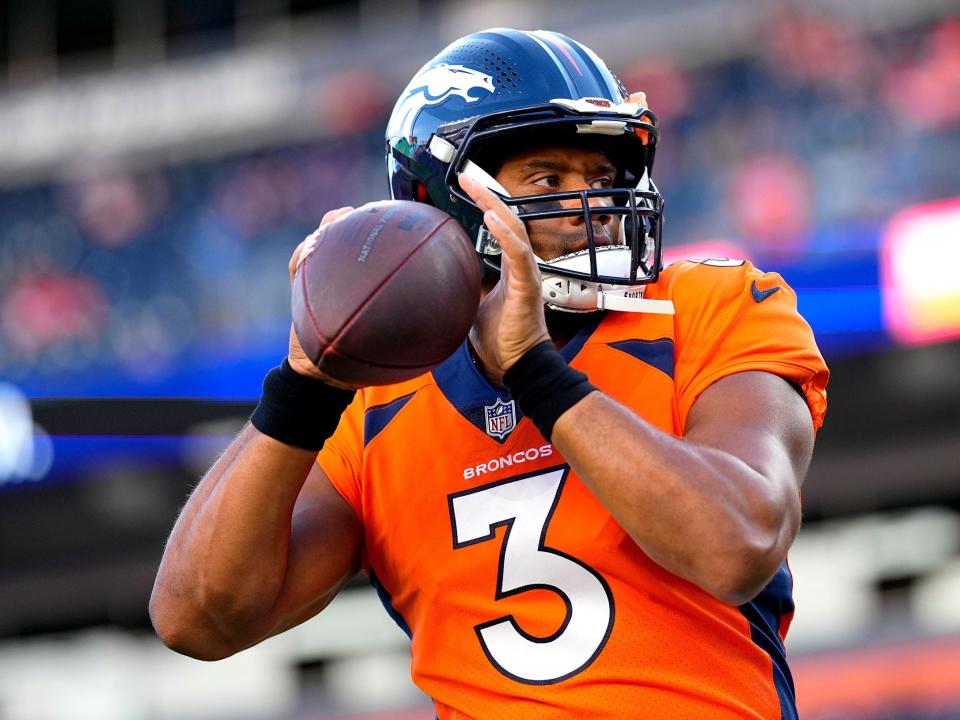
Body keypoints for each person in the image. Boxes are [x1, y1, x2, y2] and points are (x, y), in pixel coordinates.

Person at [150, 28, 829, 719]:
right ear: (444, 200)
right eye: (548, 179)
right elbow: (197, 619)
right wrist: (305, 381)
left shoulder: (708, 304)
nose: (591, 205)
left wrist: (537, 371)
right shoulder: (375, 401)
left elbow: (738, 544)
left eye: (602, 176)